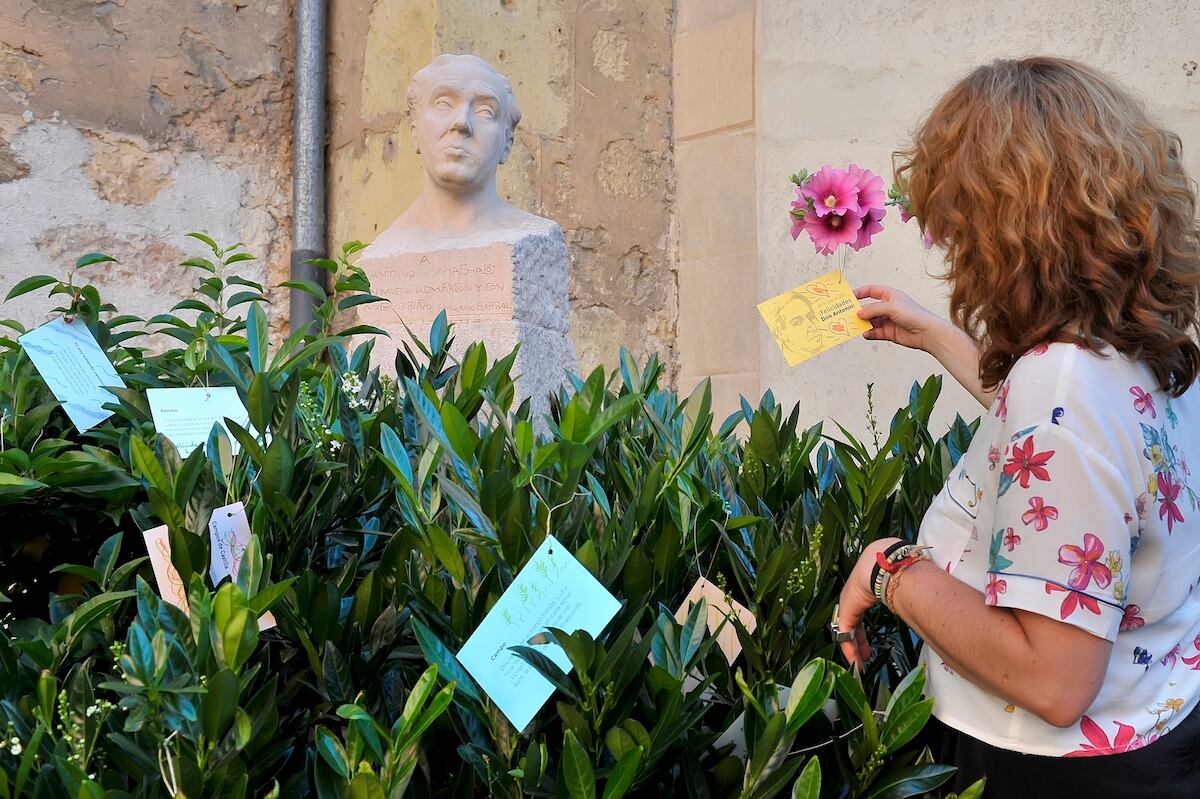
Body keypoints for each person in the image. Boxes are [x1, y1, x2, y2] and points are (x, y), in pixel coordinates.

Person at [834, 56, 1200, 795]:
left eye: (959, 223)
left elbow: (1052, 679)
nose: (951, 247)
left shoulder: (1060, 385)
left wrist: (891, 568)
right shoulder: (1144, 347)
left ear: (1004, 229)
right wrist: (936, 335)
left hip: (1052, 767)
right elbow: (1072, 444)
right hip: (1155, 726)